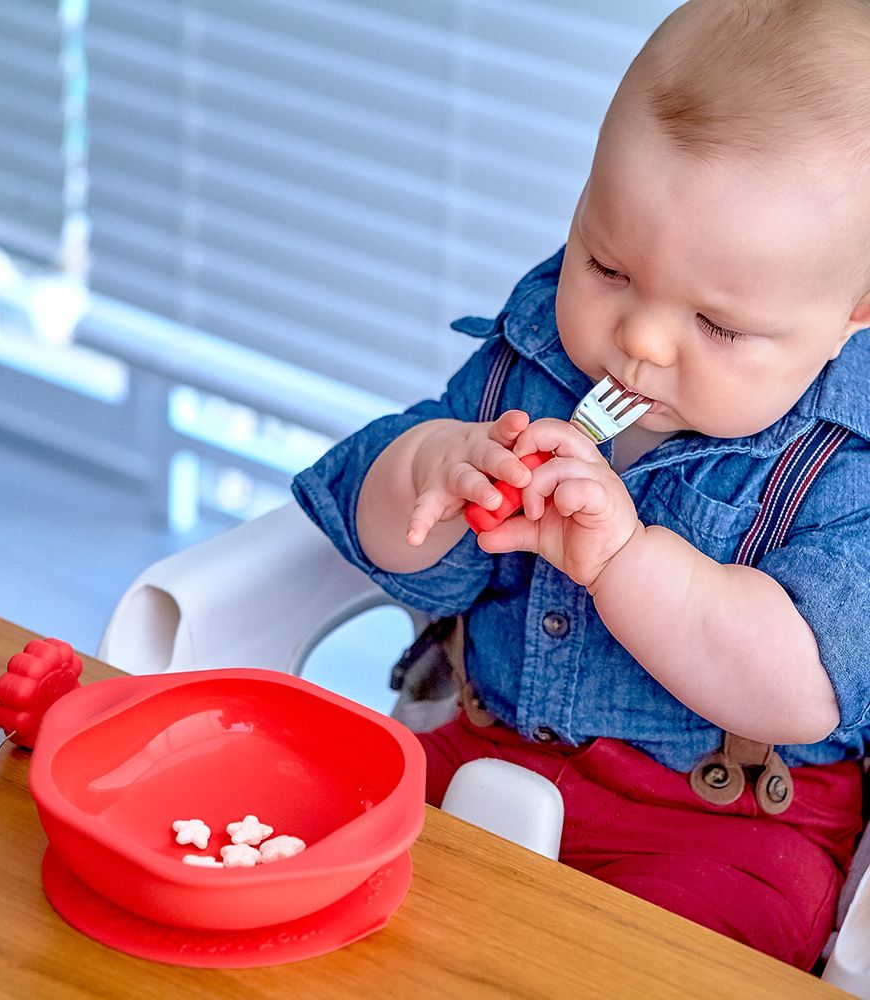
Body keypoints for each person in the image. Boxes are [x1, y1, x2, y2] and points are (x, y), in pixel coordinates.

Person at [291, 0, 870, 970]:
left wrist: (624, 561)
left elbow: (801, 685)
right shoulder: (534, 362)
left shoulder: (842, 465)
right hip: (483, 751)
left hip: (722, 830)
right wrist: (428, 474)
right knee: (337, 906)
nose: (639, 338)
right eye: (606, 264)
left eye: (717, 326)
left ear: (853, 311)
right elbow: (390, 546)